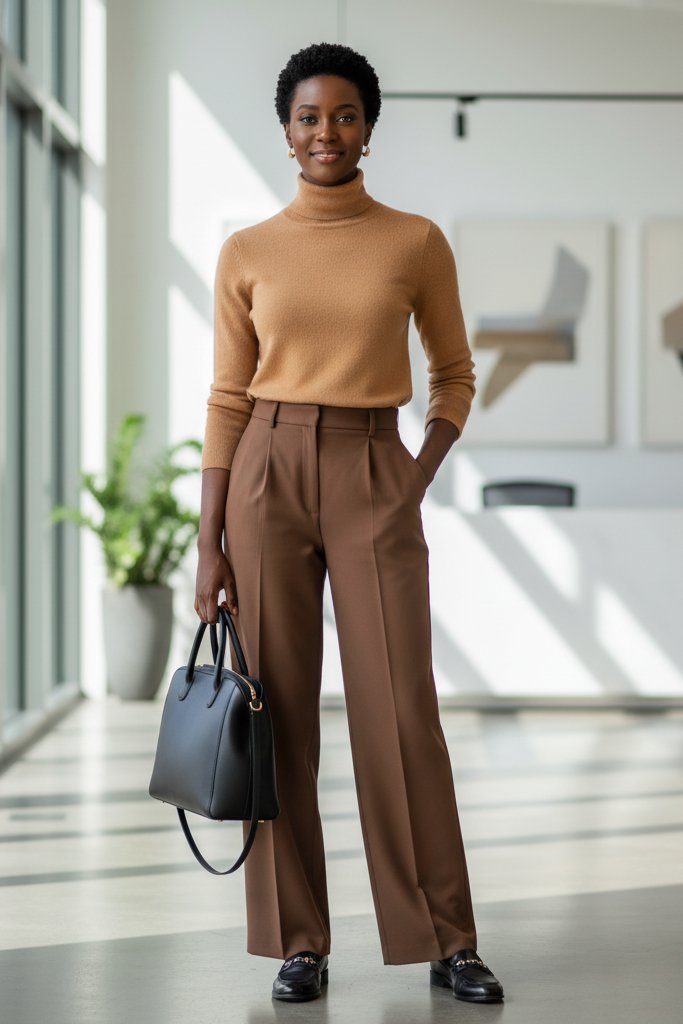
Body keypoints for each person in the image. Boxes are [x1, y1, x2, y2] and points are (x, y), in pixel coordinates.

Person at [194, 42, 504, 1006]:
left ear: (368, 125)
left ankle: (447, 940)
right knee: (274, 714)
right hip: (266, 473)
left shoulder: (414, 242)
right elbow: (225, 396)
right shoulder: (246, 251)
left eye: (343, 115)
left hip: (374, 465)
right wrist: (208, 541)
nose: (324, 133)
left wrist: (410, 479)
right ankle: (300, 942)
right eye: (306, 117)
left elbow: (453, 375)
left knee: (400, 715)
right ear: (283, 133)